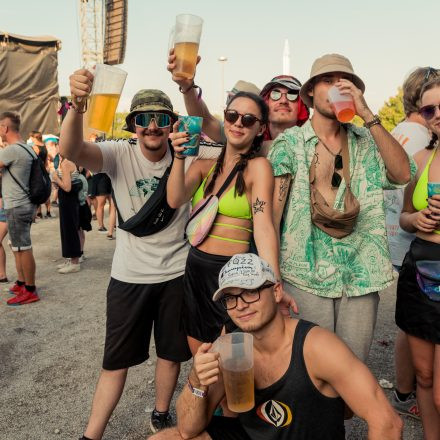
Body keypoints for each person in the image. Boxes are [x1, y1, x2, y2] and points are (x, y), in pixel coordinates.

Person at [60, 68, 192, 438]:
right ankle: (92, 433)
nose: (153, 127)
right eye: (143, 119)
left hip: (176, 273)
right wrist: (78, 105)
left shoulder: (188, 154)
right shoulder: (119, 153)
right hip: (129, 276)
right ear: (133, 124)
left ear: (172, 123)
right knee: (115, 362)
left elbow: (228, 141)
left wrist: (191, 90)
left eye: (161, 118)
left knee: (171, 354)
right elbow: (71, 150)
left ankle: (161, 412)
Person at [150, 253, 403, 440]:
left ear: (277, 291)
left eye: (251, 292)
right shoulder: (229, 349)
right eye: (230, 298)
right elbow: (187, 430)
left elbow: (387, 423)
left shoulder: (317, 346)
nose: (241, 305)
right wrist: (196, 381)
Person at [268, 53, 415, 365]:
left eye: (344, 81)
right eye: (328, 80)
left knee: (352, 371)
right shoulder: (290, 144)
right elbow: (271, 218)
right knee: (311, 371)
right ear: (310, 91)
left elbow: (403, 174)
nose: (337, 87)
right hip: (305, 277)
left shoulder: (367, 141)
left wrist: (368, 114)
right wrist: (273, 281)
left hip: (360, 276)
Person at [167, 91, 290, 356]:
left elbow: (264, 227)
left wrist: (274, 283)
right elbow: (175, 199)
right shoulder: (203, 166)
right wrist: (178, 156)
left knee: (233, 359)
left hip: (234, 274)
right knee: (201, 354)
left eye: (248, 119)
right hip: (196, 267)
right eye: (232, 116)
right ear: (225, 118)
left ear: (260, 129)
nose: (238, 123)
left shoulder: (258, 168)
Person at [385, 67, 439, 419]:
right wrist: (416, 219)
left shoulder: (406, 138)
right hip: (417, 262)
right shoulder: (422, 156)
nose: (437, 116)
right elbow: (405, 213)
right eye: (429, 109)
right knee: (424, 373)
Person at [167, 51, 307, 156]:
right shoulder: (245, 134)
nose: (283, 100)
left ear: (302, 106)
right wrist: (187, 87)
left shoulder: (312, 143)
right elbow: (204, 119)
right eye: (275, 94)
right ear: (266, 103)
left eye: (292, 95)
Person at [0, 112, 39, 305]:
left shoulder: (12, 150)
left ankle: (30, 290)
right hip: (25, 204)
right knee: (17, 247)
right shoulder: (27, 147)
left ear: (5, 128)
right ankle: (22, 283)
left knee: (23, 248)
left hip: (17, 206)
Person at [51, 155, 83, 274]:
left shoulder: (66, 163)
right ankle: (71, 260)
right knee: (67, 230)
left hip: (68, 200)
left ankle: (74, 263)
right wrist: (57, 182)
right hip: (68, 200)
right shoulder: (66, 161)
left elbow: (67, 187)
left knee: (70, 230)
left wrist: (56, 178)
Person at [30, 130, 52, 218]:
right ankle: (48, 211)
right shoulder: (44, 146)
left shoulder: (35, 147)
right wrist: (47, 169)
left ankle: (39, 213)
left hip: (38, 172)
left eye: (31, 137)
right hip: (45, 170)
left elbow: (34, 161)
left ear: (34, 137)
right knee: (46, 190)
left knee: (38, 190)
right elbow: (46, 161)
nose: (30, 139)